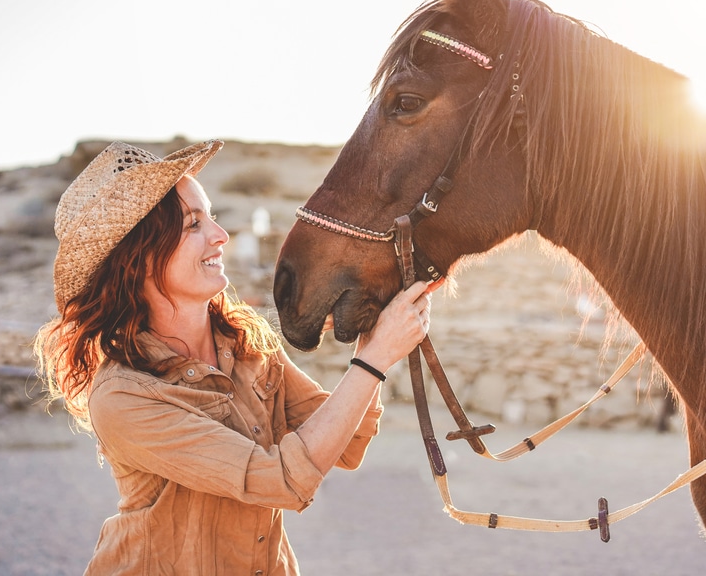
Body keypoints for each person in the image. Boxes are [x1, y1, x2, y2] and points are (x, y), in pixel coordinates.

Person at [34, 139, 432, 575]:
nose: (220, 235)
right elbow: (281, 481)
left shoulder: (244, 342)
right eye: (193, 224)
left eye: (212, 217)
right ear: (140, 257)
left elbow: (348, 446)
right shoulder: (124, 396)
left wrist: (370, 340)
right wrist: (375, 359)